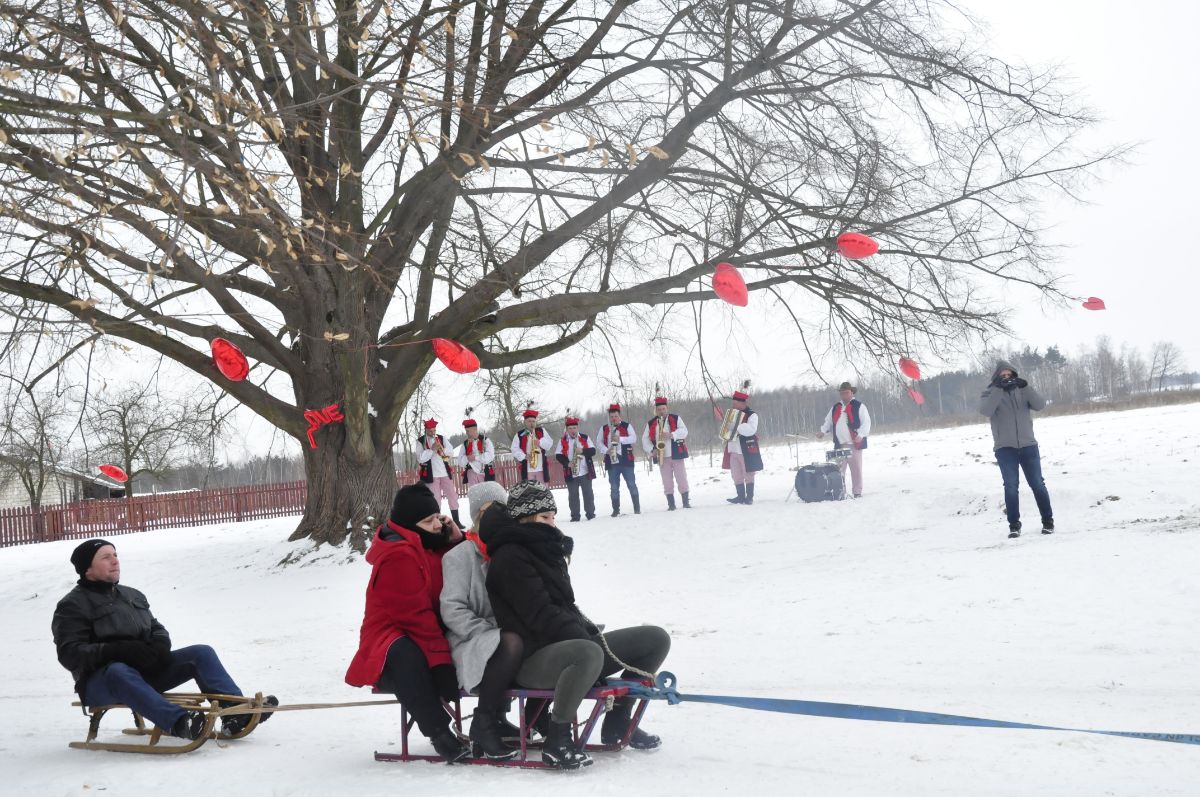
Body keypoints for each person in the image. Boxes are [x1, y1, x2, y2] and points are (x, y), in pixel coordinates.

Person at [485, 481, 671, 769]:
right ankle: (557, 741)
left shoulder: (546, 549)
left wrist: (589, 634)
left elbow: (565, 608)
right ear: (525, 517)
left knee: (655, 639)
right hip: (531, 659)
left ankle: (619, 721)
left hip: (568, 645)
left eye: (553, 516)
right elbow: (541, 616)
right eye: (545, 517)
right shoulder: (510, 558)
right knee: (589, 653)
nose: (552, 523)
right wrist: (586, 643)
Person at [51, 539, 278, 740]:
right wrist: (119, 650)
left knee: (201, 652)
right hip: (102, 683)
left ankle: (236, 714)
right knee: (118, 670)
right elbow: (70, 654)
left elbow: (157, 628)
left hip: (145, 674)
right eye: (106, 557)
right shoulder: (72, 605)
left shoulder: (132, 595)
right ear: (87, 568)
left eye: (116, 555)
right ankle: (180, 723)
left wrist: (160, 646)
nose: (115, 561)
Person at [345, 482, 470, 763]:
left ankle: (494, 719)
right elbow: (415, 617)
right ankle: (439, 732)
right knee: (408, 658)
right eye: (429, 521)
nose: (437, 525)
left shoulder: (428, 543)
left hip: (427, 629)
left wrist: (458, 538)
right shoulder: (398, 556)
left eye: (437, 518)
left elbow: (464, 563)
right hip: (389, 638)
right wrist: (440, 663)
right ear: (410, 525)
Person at [439, 481, 524, 761]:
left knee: (524, 638)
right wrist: (489, 631)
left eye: (501, 508)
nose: (495, 515)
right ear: (476, 515)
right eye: (487, 510)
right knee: (509, 642)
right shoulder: (459, 556)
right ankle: (483, 721)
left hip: (506, 632)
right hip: (469, 639)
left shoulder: (511, 550)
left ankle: (509, 716)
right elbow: (452, 609)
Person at [979, 360, 1055, 538]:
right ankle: (1014, 526)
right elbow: (986, 411)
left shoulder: (1022, 390)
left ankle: (1048, 522)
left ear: (1014, 375)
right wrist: (998, 389)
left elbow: (1040, 405)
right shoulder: (989, 393)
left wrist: (1026, 386)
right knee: (1011, 487)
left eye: (1009, 375)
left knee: (1038, 484)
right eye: (1002, 376)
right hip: (1005, 449)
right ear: (997, 377)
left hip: (1028, 446)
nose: (1006, 378)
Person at [817, 382, 872, 498]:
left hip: (854, 444)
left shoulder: (859, 406)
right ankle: (839, 492)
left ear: (852, 393)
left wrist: (861, 435)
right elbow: (828, 421)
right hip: (840, 444)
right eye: (842, 393)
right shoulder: (836, 407)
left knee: (856, 470)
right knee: (838, 471)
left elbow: (866, 423)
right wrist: (823, 431)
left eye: (846, 393)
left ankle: (857, 492)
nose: (844, 395)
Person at [642, 395, 691, 510]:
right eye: (659, 409)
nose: (661, 411)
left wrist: (671, 435)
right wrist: (651, 450)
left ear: (667, 408)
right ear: (656, 410)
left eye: (663, 409)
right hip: (661, 456)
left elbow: (684, 431)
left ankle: (685, 502)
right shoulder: (651, 423)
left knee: (682, 478)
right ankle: (671, 505)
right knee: (666, 481)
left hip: (676, 454)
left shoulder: (675, 418)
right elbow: (644, 439)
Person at [415, 418, 463, 528]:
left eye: (434, 430)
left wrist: (442, 449)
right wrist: (431, 450)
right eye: (430, 431)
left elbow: (450, 452)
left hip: (445, 473)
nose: (433, 433)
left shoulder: (441, 438)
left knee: (452, 496)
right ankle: (438, 524)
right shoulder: (420, 441)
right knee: (436, 500)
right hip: (431, 476)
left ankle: (457, 522)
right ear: (426, 430)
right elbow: (421, 459)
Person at [722, 386, 763, 504]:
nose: (733, 405)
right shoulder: (732, 414)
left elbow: (751, 430)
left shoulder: (752, 415)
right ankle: (740, 496)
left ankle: (749, 497)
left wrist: (735, 426)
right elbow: (727, 429)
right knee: (736, 474)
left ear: (742, 403)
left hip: (745, 449)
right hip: (733, 448)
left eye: (735, 403)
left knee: (748, 473)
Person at [598, 403, 640, 516]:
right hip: (612, 461)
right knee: (614, 487)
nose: (614, 418)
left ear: (619, 416)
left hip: (626, 459)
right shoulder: (604, 428)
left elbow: (634, 438)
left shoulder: (627, 426)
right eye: (611, 417)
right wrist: (606, 450)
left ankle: (637, 508)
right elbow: (599, 442)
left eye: (616, 416)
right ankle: (616, 510)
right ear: (609, 417)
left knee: (631, 484)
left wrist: (620, 439)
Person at [555, 415, 597, 522]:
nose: (572, 430)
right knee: (573, 495)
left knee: (588, 493)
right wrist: (567, 463)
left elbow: (593, 451)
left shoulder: (585, 437)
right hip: (571, 472)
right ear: (567, 429)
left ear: (577, 428)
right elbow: (558, 455)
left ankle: (590, 514)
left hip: (585, 471)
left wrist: (582, 451)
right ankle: (575, 516)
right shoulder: (562, 440)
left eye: (574, 428)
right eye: (570, 428)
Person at [511, 407, 553, 483]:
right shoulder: (519, 434)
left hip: (541, 468)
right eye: (529, 421)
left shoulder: (541, 431)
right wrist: (524, 456)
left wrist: (540, 442)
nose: (531, 423)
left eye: (533, 421)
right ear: (525, 422)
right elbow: (514, 449)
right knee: (529, 492)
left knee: (542, 491)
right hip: (527, 468)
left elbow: (550, 444)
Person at [456, 415, 496, 486]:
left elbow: (490, 456)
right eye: (466, 431)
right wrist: (467, 458)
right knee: (474, 495)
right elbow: (460, 462)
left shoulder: (485, 440)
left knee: (487, 495)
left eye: (468, 431)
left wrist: (475, 458)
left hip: (485, 472)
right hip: (471, 472)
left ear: (475, 429)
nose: (466, 433)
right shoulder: (465, 444)